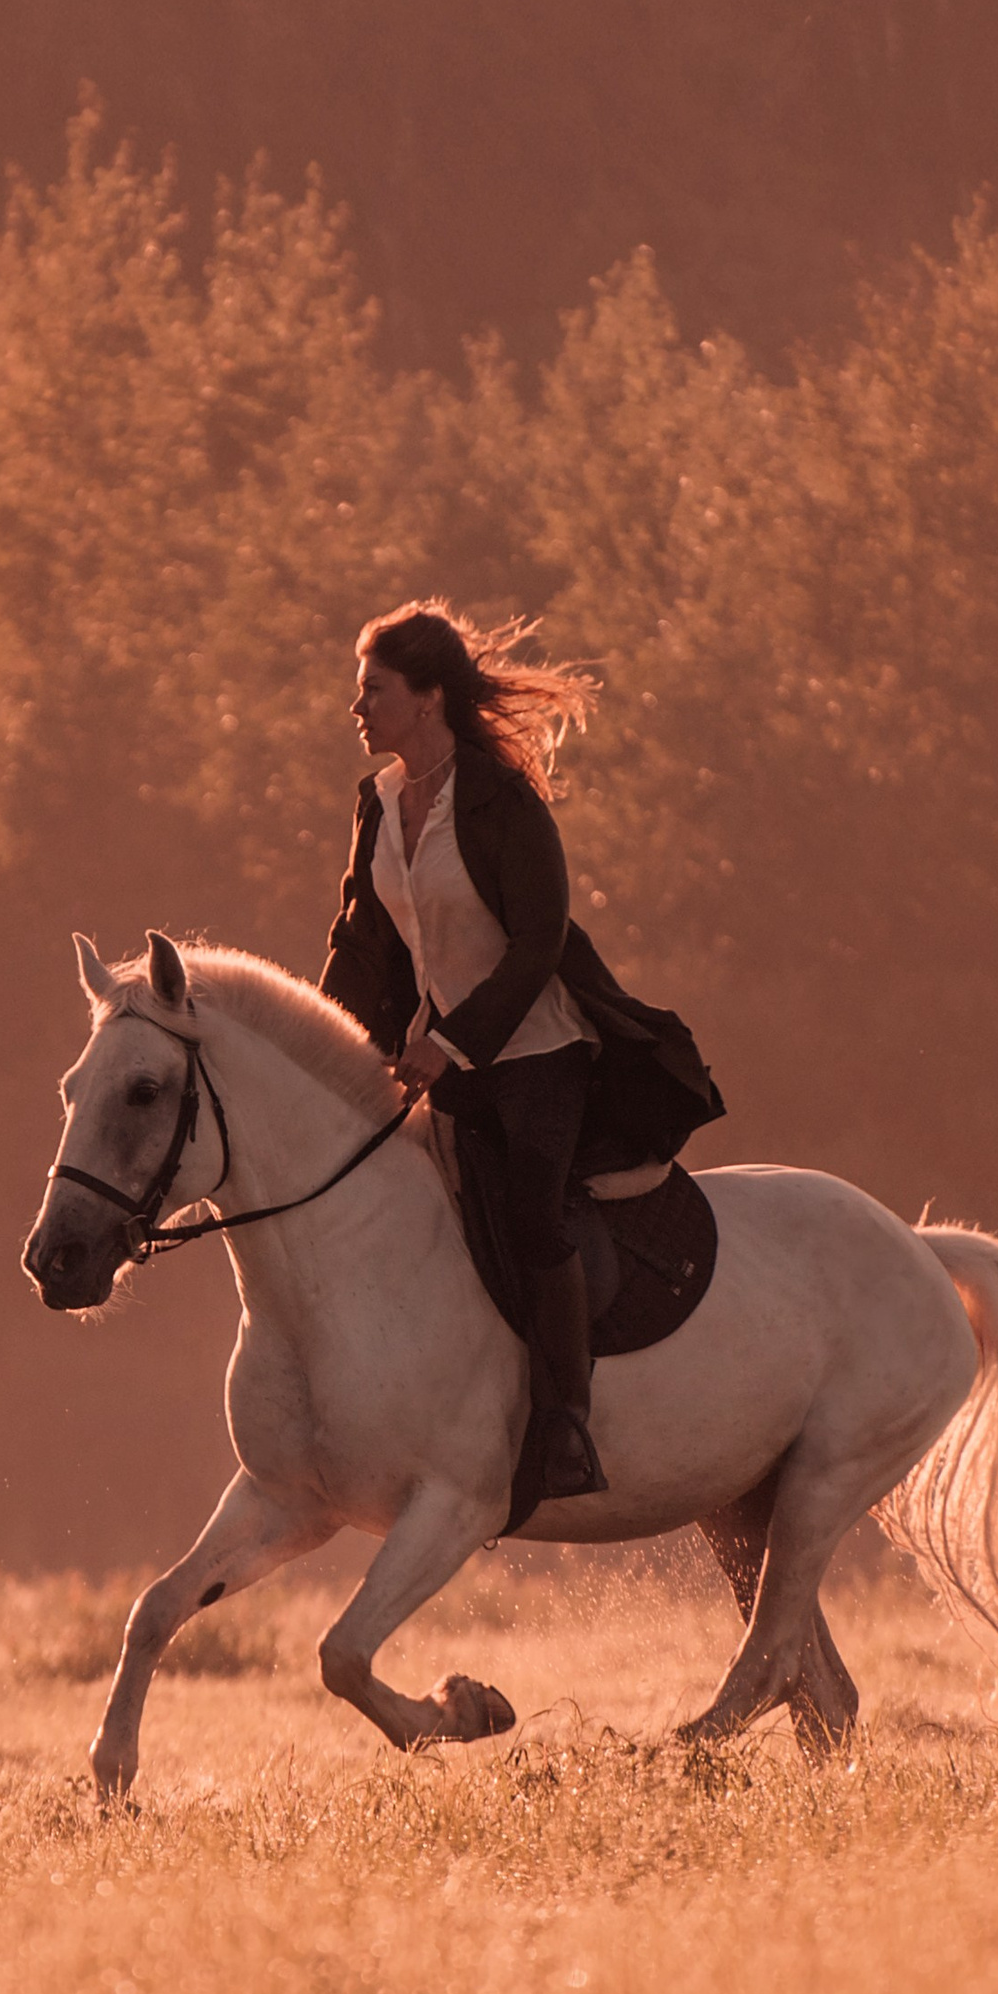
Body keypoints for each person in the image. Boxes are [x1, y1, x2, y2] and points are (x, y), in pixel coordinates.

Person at [321, 601, 723, 1500]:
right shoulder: (379, 802)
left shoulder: (505, 801)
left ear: (426, 700)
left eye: (372, 691)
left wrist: (454, 1045)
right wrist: (328, 1053)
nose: (357, 709)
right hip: (445, 1061)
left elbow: (539, 943)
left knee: (533, 1215)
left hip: (539, 1057)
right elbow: (363, 941)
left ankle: (565, 1425)